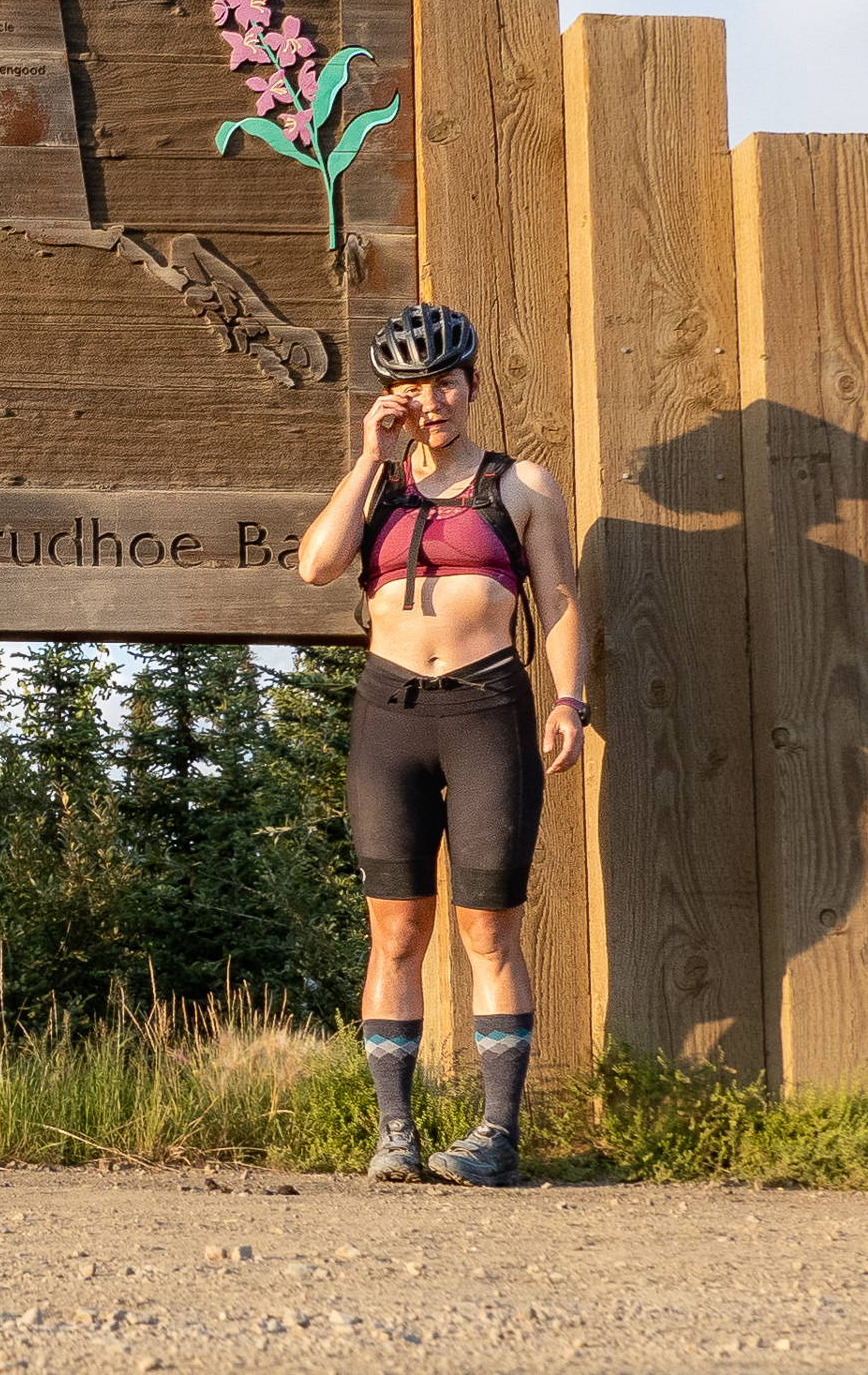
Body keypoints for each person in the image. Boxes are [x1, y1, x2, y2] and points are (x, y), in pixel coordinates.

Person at [294, 303, 586, 1187]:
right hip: (390, 717)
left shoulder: (521, 485)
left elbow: (562, 598)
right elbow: (316, 565)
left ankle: (496, 1135)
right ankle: (396, 1135)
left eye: (447, 383)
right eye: (414, 389)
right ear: (392, 401)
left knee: (489, 929)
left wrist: (569, 697)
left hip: (487, 709)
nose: (434, 400)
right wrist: (368, 459)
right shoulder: (377, 487)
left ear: (471, 387)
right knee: (397, 932)